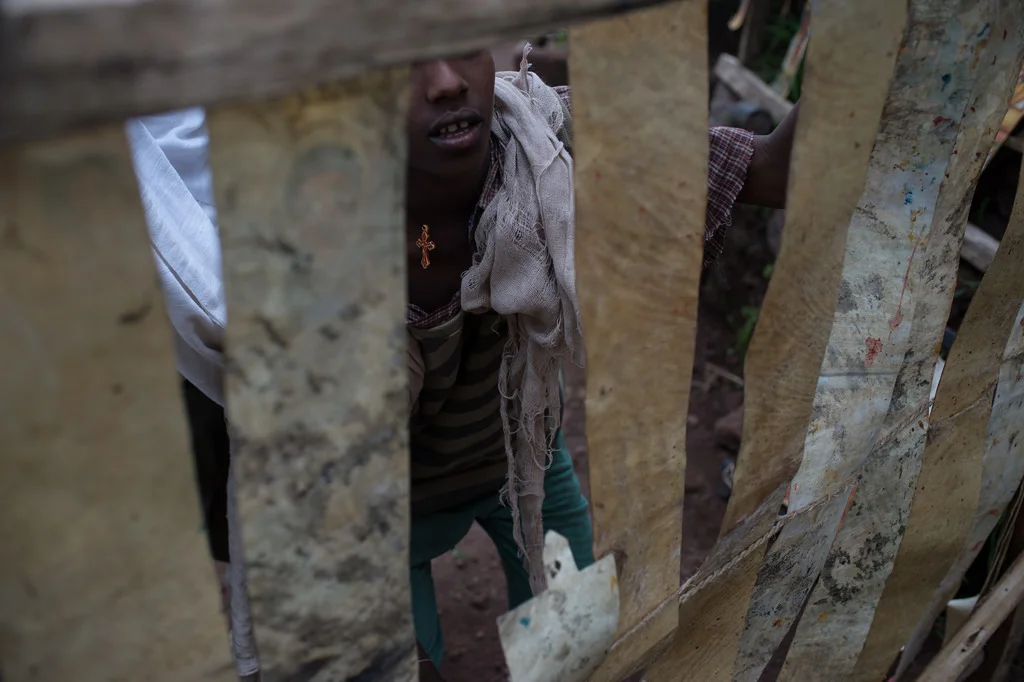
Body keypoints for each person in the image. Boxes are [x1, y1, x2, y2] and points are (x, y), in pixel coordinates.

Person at [128, 46, 796, 680]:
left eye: (461, 42)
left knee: (578, 643)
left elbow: (770, 167)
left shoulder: (540, 144)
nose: (447, 80)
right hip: (384, 515)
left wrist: (865, 46)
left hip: (522, 462)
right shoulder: (299, 247)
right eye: (402, 62)